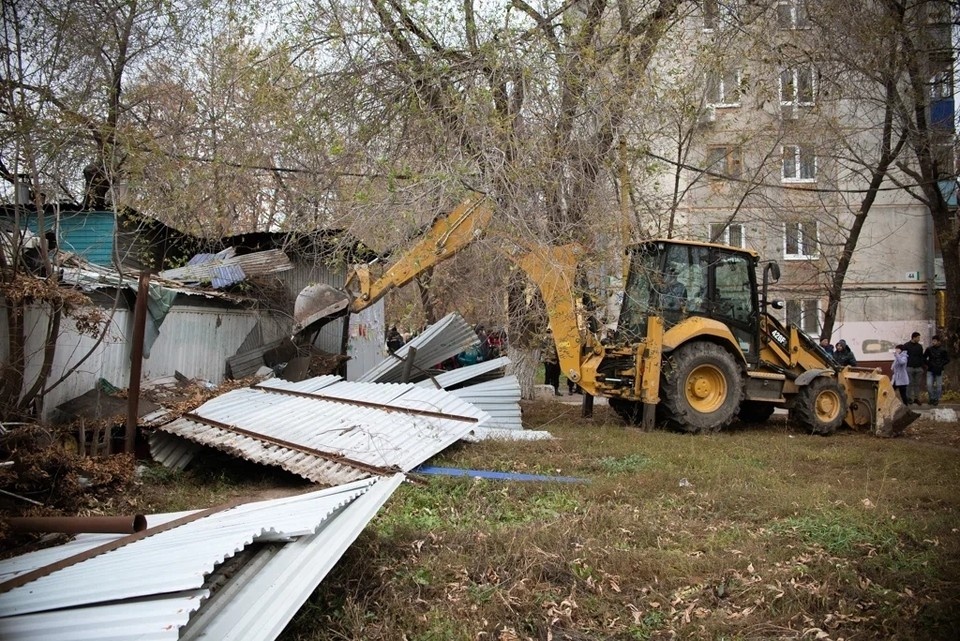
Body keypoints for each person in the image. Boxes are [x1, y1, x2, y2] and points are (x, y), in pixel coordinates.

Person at [923, 334, 950, 406]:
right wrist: (929, 364)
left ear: (938, 342)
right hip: (930, 369)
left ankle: (936, 399)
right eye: (933, 341)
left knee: (939, 386)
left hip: (939, 370)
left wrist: (941, 364)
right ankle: (931, 398)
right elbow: (924, 358)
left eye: (935, 341)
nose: (933, 342)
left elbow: (947, 359)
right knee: (929, 385)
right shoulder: (929, 349)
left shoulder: (943, 350)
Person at [903, 331, 924, 405]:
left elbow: (921, 356)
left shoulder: (919, 346)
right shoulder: (906, 346)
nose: (919, 339)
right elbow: (903, 356)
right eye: (918, 337)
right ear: (914, 337)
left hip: (918, 368)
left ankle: (916, 398)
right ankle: (909, 398)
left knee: (917, 384)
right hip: (909, 367)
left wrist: (922, 366)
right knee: (909, 383)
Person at [542, 331, 561, 396]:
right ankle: (547, 391)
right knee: (548, 376)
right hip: (549, 360)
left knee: (556, 375)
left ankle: (556, 390)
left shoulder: (559, 338)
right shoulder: (546, 339)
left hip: (557, 360)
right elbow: (543, 350)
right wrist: (546, 359)